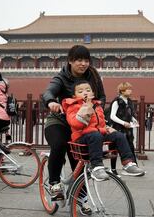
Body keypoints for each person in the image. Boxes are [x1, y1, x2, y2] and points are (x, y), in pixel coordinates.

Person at [42, 45, 106, 202]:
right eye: (79, 60)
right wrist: (51, 102)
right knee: (59, 144)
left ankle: (81, 199)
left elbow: (102, 98)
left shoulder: (94, 77)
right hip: (59, 122)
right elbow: (48, 92)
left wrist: (94, 111)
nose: (83, 64)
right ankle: (54, 183)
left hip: (82, 125)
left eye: (86, 60)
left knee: (79, 161)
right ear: (70, 61)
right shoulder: (61, 77)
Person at [63, 80, 145, 181]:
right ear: (74, 96)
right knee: (95, 135)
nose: (85, 93)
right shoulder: (73, 106)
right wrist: (87, 107)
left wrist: (107, 128)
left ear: (92, 93)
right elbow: (76, 124)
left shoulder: (97, 106)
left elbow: (100, 123)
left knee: (119, 135)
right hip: (82, 137)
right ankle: (96, 167)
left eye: (88, 90)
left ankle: (128, 163)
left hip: (97, 135)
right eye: (80, 91)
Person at [109, 82, 139, 176]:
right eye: (128, 89)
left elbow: (130, 114)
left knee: (130, 146)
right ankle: (113, 170)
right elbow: (112, 116)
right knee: (114, 150)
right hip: (118, 128)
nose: (130, 91)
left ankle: (132, 167)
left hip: (128, 129)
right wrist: (123, 123)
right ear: (122, 91)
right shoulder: (116, 101)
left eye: (131, 89)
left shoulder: (129, 101)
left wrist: (134, 120)